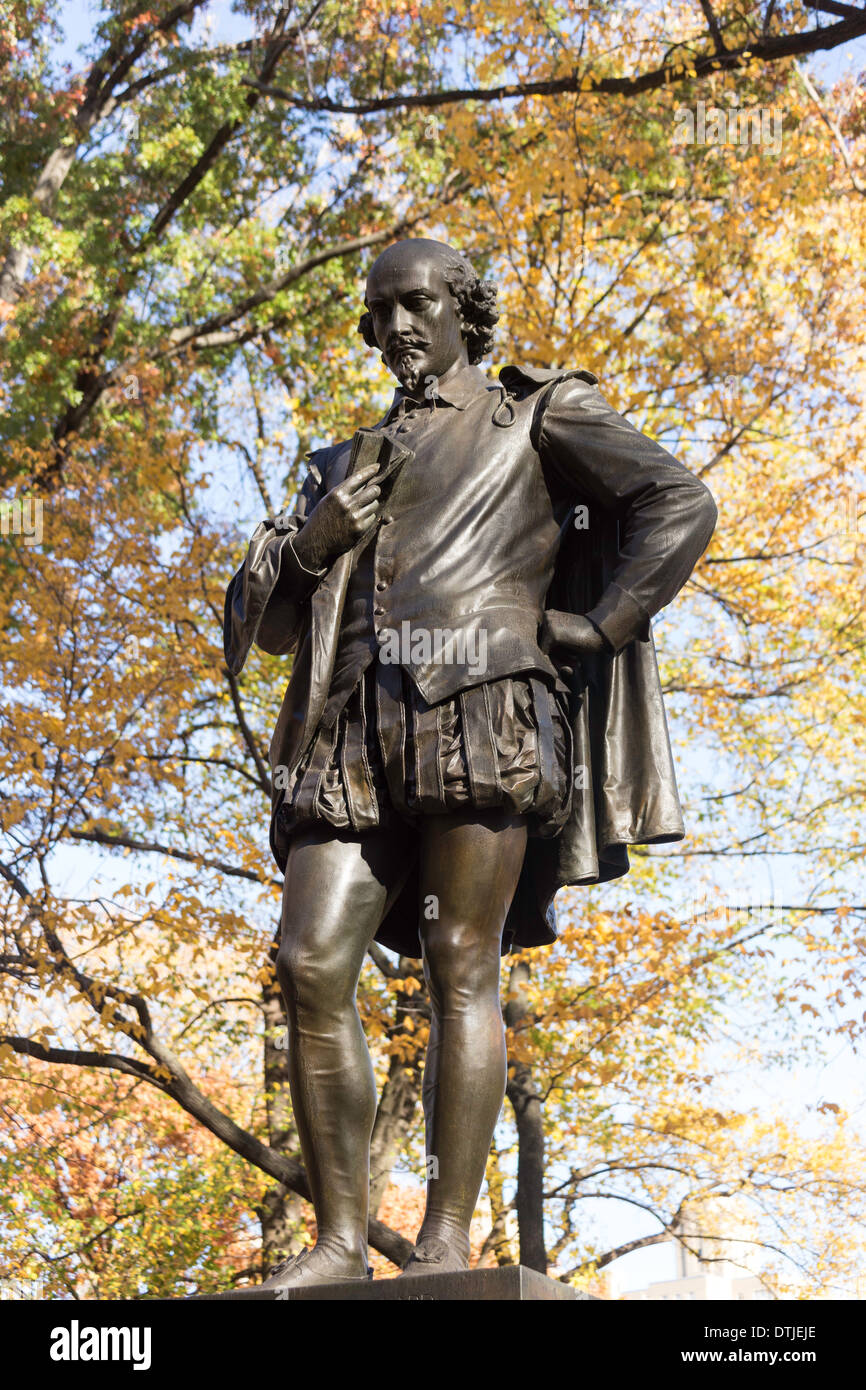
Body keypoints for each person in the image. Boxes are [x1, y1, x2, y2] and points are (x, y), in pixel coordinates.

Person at [223, 237, 718, 1287]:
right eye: (378, 313)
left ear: (462, 312)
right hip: (349, 731)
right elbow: (266, 625)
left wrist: (601, 621)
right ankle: (339, 1242)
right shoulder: (340, 461)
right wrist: (312, 542)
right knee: (309, 960)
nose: (395, 327)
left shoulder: (531, 414)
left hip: (478, 710)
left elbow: (678, 501)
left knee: (459, 965)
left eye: (416, 305)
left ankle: (445, 1238)